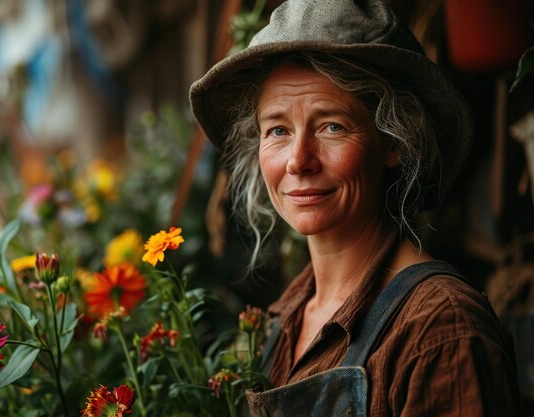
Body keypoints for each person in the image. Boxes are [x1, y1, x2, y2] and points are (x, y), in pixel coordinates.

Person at [190, 0, 522, 415]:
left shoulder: (440, 329)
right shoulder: (285, 317)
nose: (298, 160)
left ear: (395, 141)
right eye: (277, 130)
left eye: (332, 126)